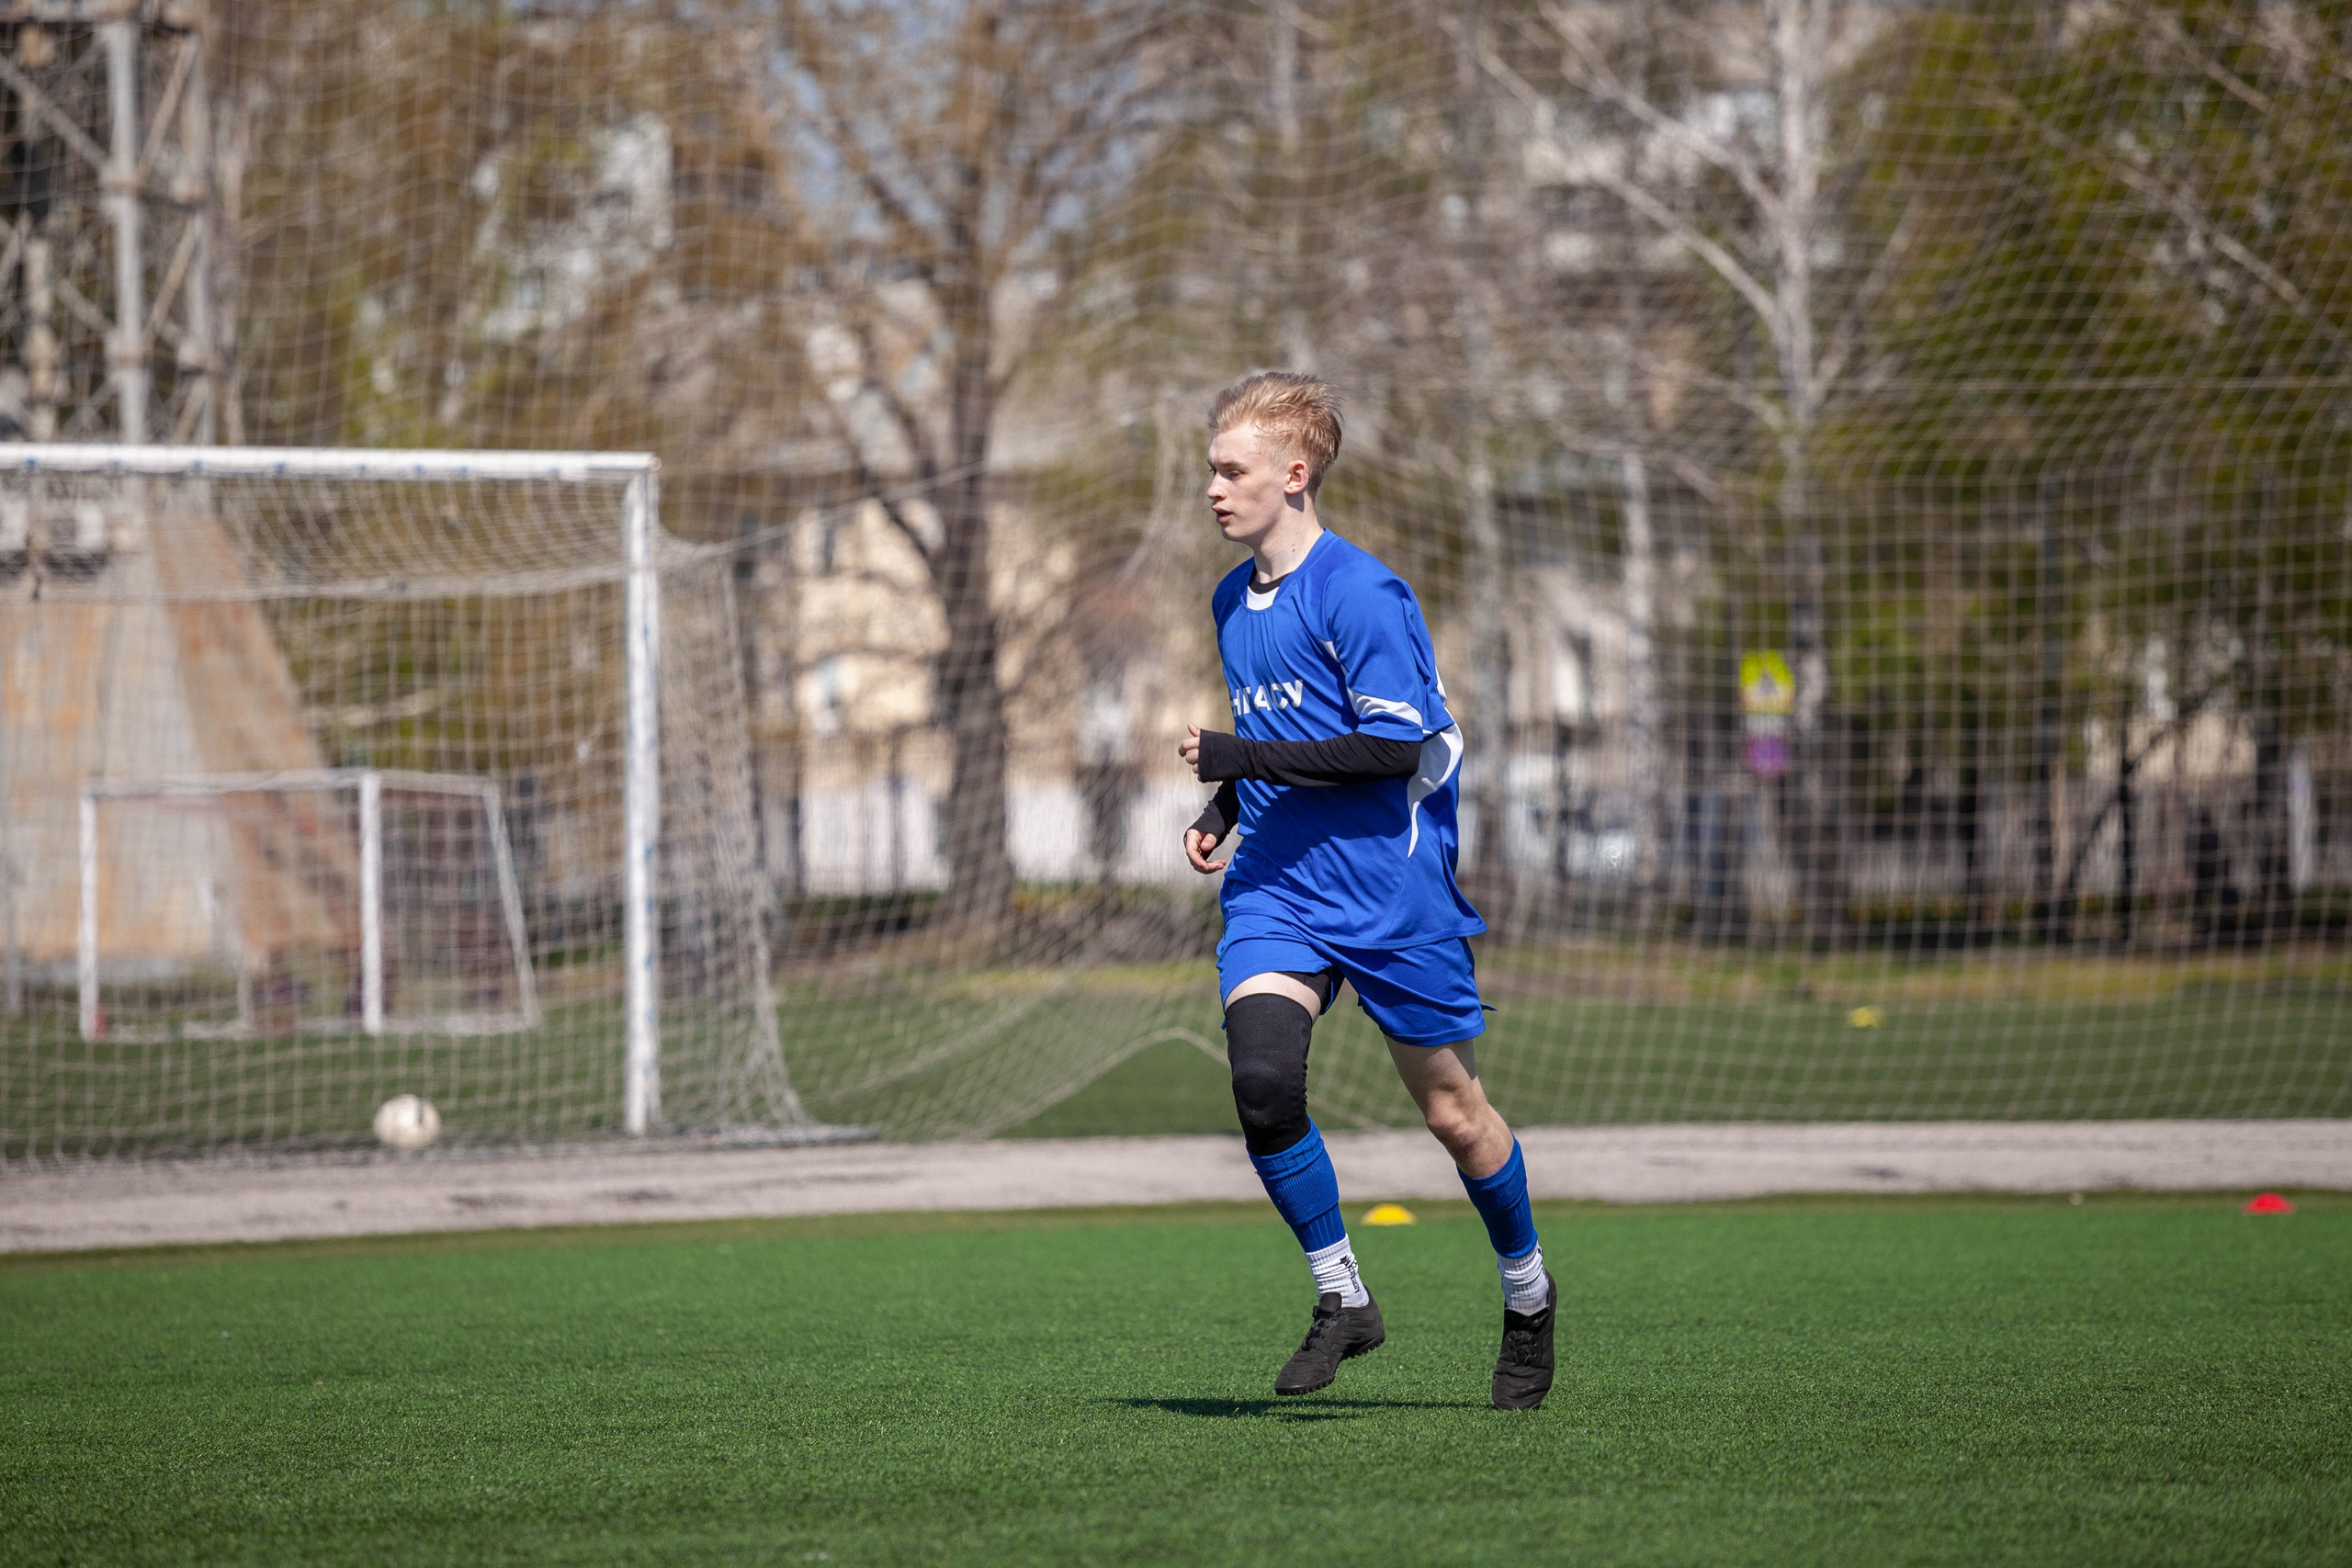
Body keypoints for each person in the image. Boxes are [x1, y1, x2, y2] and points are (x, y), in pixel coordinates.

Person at [1178, 371, 1555, 1410]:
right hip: (1277, 891)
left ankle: (1526, 1291)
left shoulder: (1363, 591)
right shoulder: (1228, 599)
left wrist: (1234, 752)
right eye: (1209, 469)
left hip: (1391, 896)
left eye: (1230, 470)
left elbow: (1392, 748)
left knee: (1452, 1115)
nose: (1211, 488)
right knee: (1261, 1081)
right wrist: (1223, 806)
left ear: (1293, 477)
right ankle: (1341, 1296)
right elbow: (1279, 727)